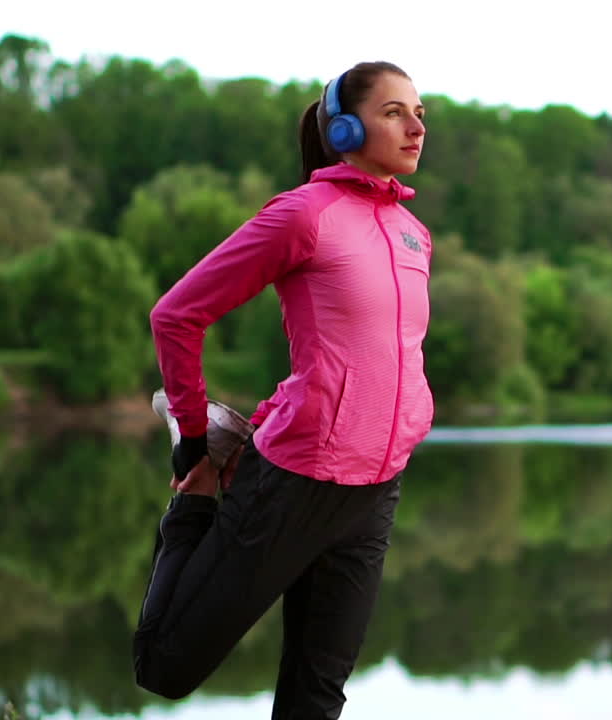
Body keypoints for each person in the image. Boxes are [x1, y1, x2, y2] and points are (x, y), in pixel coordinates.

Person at [132, 60, 433, 719]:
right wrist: (190, 441)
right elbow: (176, 315)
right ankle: (192, 509)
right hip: (295, 482)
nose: (416, 126)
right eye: (394, 113)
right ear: (346, 127)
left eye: (419, 113)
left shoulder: (415, 234)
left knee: (316, 693)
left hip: (376, 487)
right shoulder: (304, 216)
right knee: (165, 666)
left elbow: (369, 355)